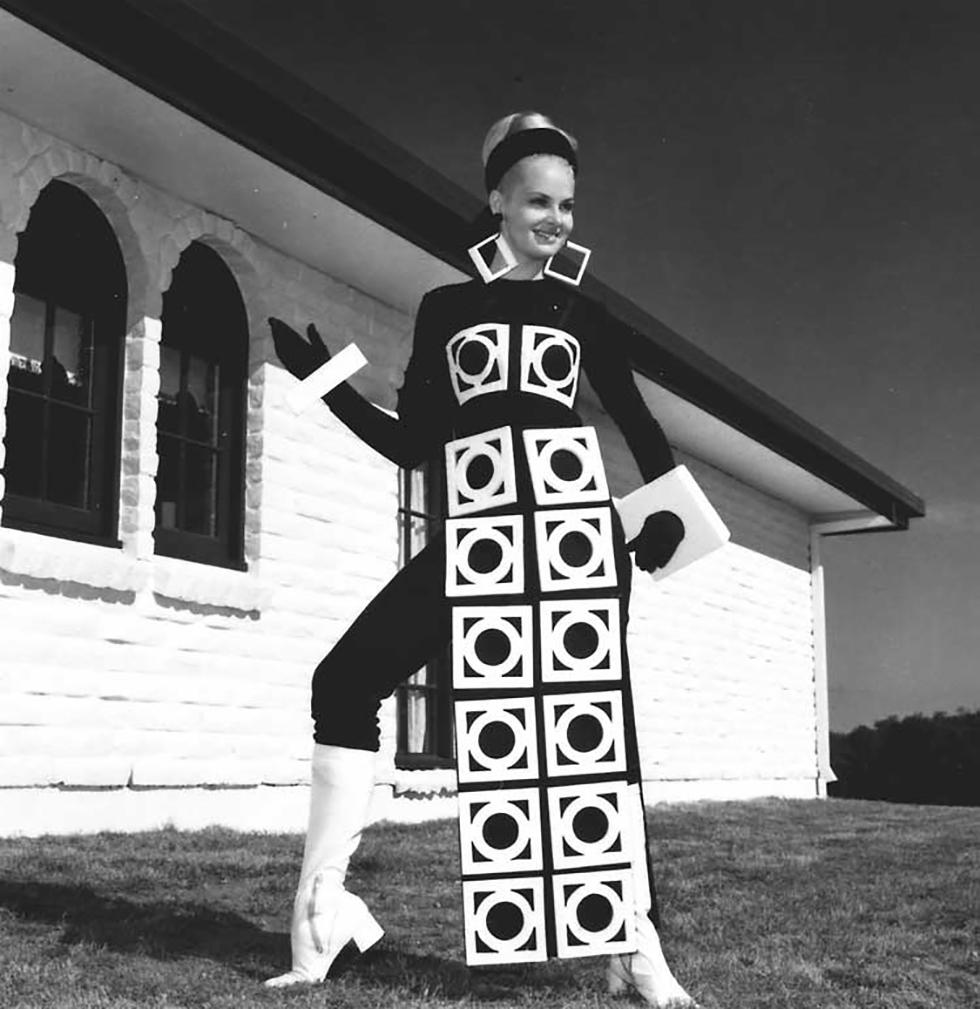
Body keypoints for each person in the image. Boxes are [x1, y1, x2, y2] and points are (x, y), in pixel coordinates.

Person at [266, 111, 699, 1008]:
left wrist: (662, 522)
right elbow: (413, 441)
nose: (555, 219)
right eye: (537, 200)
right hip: (476, 538)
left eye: (568, 205)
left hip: (574, 547)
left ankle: (637, 947)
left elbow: (644, 431)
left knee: (592, 739)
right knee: (344, 680)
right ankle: (323, 912)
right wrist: (324, 383)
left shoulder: (586, 313)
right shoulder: (446, 308)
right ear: (495, 201)